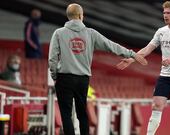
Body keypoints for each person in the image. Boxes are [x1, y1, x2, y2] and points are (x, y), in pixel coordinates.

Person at [48, 3, 147, 135]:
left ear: (68, 16)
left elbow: (52, 59)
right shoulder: (91, 34)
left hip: (64, 78)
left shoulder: (59, 33)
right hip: (83, 79)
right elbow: (111, 46)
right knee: (82, 114)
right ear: (80, 16)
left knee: (66, 115)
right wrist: (132, 54)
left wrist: (55, 76)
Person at [117, 1, 170, 135]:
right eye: (164, 13)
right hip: (165, 76)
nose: (165, 15)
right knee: (156, 105)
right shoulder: (161, 32)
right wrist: (132, 59)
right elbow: (148, 48)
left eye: (168, 13)